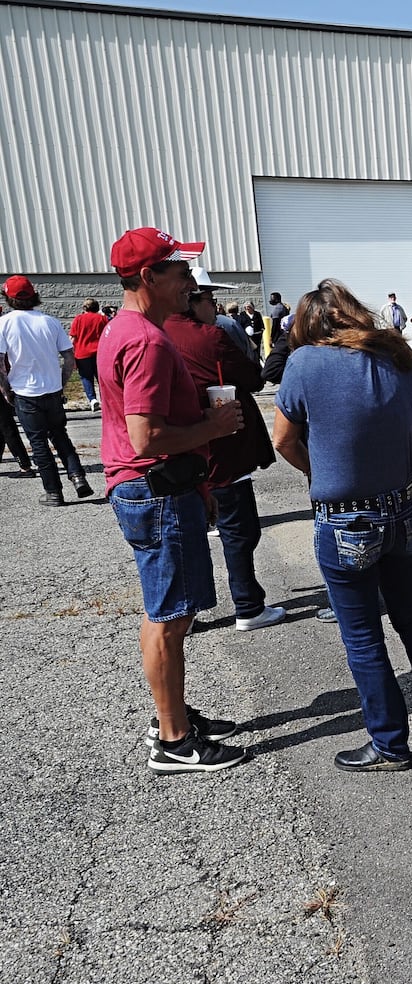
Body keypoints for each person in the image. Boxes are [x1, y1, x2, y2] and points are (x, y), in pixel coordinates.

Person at [272, 278, 412, 770]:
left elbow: (283, 440)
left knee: (362, 635)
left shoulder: (304, 363)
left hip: (346, 517)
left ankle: (389, 742)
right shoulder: (395, 353)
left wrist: (321, 466)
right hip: (404, 508)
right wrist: (398, 425)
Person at [99, 227, 247, 772]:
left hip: (155, 485)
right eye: (179, 271)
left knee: (169, 614)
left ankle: (171, 714)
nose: (189, 281)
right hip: (154, 485)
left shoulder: (131, 329)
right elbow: (147, 437)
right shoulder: (146, 341)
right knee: (169, 616)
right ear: (148, 277)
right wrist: (212, 425)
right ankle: (175, 739)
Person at [164, 276, 286, 634]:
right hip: (221, 449)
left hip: (170, 449)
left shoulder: (152, 332)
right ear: (192, 300)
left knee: (181, 534)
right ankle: (248, 605)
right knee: (239, 530)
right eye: (208, 300)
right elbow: (253, 377)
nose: (214, 308)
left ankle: (180, 614)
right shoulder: (209, 336)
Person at [0, 275, 94, 506]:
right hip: (51, 389)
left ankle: (53, 491)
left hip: (24, 391)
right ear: (34, 295)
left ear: (8, 298)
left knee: (39, 442)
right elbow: (69, 356)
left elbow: (0, 360)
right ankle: (78, 477)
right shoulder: (49, 321)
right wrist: (62, 381)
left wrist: (4, 388)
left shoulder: (5, 323)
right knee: (60, 435)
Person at [70, 297, 108, 409]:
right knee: (101, 378)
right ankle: (105, 400)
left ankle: (92, 399)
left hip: (82, 354)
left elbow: (72, 338)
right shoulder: (102, 319)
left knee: (86, 377)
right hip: (99, 353)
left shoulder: (78, 319)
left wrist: (70, 355)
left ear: (84, 308)